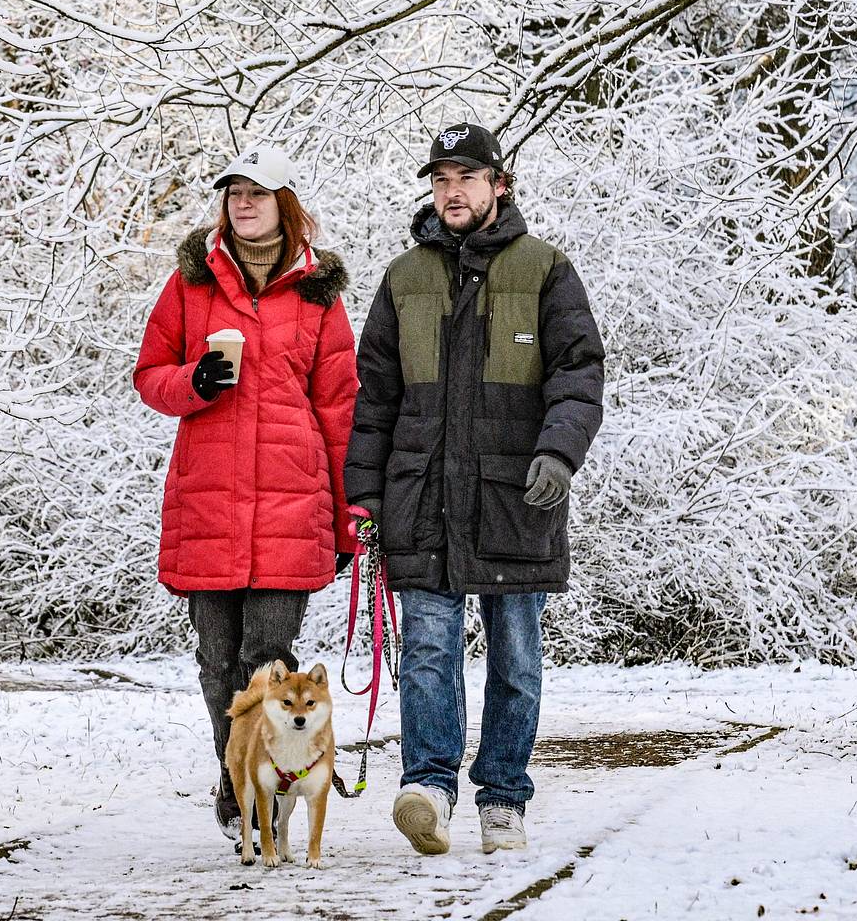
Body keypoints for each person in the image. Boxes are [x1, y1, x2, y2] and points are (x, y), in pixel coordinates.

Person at [344, 122, 604, 856]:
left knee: (515, 656)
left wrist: (559, 453)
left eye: (466, 177)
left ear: (499, 185)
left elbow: (579, 375)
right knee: (427, 649)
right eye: (440, 179)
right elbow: (375, 400)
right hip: (420, 496)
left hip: (516, 497)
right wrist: (363, 495)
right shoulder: (404, 278)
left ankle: (503, 799)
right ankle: (427, 788)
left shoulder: (545, 269)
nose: (452, 191)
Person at [134, 144, 358, 847]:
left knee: (267, 656)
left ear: (285, 203)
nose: (243, 203)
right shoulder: (190, 285)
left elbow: (341, 409)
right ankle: (237, 782)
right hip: (210, 504)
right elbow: (150, 374)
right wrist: (192, 384)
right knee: (215, 662)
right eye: (233, 193)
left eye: (257, 193)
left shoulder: (319, 294)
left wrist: (350, 522)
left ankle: (264, 796)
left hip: (293, 507)